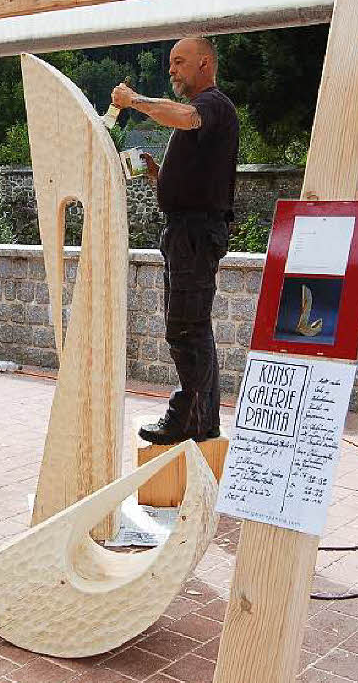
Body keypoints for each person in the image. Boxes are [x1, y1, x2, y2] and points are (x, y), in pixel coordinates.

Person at [111, 36, 238, 444]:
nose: (172, 70)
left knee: (186, 328)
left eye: (179, 62)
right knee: (191, 327)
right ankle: (201, 420)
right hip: (186, 231)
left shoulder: (212, 106)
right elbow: (187, 182)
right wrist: (154, 172)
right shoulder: (201, 112)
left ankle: (190, 421)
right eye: (170, 64)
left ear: (205, 63)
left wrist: (133, 100)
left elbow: (185, 118)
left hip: (196, 233)